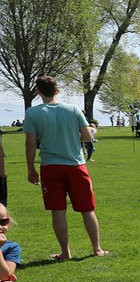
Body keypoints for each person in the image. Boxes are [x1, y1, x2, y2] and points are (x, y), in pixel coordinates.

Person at [23, 75, 108, 260]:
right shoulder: (73, 109)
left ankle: (65, 252)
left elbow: (30, 144)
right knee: (87, 209)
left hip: (50, 166)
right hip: (76, 165)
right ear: (57, 90)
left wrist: (30, 169)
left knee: (58, 210)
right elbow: (87, 137)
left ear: (38, 91)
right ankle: (97, 249)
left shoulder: (32, 113)